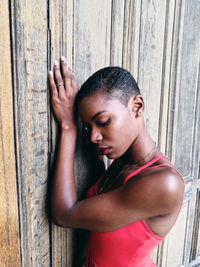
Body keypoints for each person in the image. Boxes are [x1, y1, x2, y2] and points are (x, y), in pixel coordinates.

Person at [48, 56, 185, 267]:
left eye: (103, 121)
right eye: (87, 128)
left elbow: (64, 214)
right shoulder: (121, 163)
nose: (93, 137)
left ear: (137, 106)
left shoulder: (164, 183)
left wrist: (68, 127)